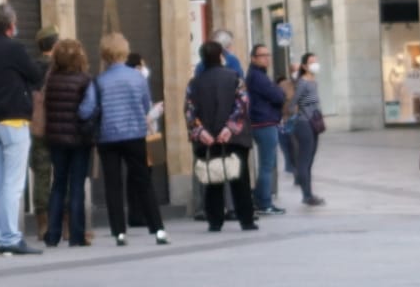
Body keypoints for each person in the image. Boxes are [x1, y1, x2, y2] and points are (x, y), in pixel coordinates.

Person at [0, 4, 42, 256]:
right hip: (13, 121)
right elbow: (35, 74)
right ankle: (11, 237)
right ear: (11, 25)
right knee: (13, 183)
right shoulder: (14, 48)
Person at [95, 33, 168, 246]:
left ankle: (119, 232)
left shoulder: (100, 81)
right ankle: (158, 229)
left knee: (113, 184)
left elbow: (90, 108)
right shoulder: (137, 77)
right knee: (143, 181)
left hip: (108, 137)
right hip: (135, 134)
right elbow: (146, 105)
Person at [186, 41, 258, 233]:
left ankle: (215, 221)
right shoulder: (235, 77)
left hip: (208, 141)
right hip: (234, 139)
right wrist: (229, 128)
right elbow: (242, 104)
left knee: (213, 179)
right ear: (221, 56)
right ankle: (246, 220)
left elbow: (190, 112)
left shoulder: (194, 83)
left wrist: (201, 133)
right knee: (240, 179)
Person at [39, 37, 98, 247]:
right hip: (79, 139)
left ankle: (52, 234)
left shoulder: (51, 79)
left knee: (58, 184)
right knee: (76, 187)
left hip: (55, 139)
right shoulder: (85, 80)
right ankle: (76, 235)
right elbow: (87, 110)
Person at [245, 43, 287, 216]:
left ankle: (261, 199)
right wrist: (279, 92)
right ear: (254, 58)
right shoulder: (258, 76)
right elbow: (278, 96)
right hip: (264, 122)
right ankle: (264, 202)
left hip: (262, 121)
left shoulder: (258, 75)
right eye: (262, 55)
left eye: (268, 54)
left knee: (266, 164)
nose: (267, 58)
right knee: (267, 164)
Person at [28, 26, 58, 236]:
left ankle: (42, 224)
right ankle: (65, 224)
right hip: (59, 125)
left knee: (41, 174)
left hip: (37, 126)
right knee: (62, 173)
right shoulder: (60, 67)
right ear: (55, 44)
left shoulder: (30, 68)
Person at [291, 52, 327, 207]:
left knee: (310, 160)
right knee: (305, 160)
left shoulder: (314, 82)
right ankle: (307, 195)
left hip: (314, 124)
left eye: (316, 61)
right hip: (304, 123)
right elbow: (293, 102)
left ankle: (308, 193)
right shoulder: (303, 82)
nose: (315, 64)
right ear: (304, 66)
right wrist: (297, 114)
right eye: (311, 62)